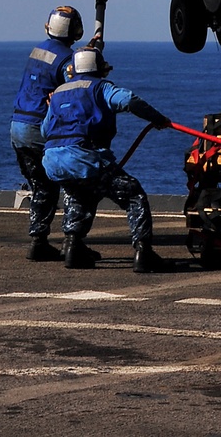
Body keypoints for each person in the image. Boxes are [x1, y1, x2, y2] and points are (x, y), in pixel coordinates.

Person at [42, 43, 173, 273]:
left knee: (79, 194)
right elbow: (129, 100)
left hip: (53, 160)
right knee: (133, 194)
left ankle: (73, 247)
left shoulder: (59, 92)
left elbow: (45, 131)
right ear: (98, 68)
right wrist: (158, 118)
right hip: (84, 157)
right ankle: (143, 252)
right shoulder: (100, 88)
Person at [10, 5, 85, 261]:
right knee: (75, 184)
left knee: (42, 186)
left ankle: (38, 241)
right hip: (39, 129)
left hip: (18, 128)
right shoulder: (67, 60)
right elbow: (74, 88)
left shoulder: (37, 51)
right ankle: (73, 243)